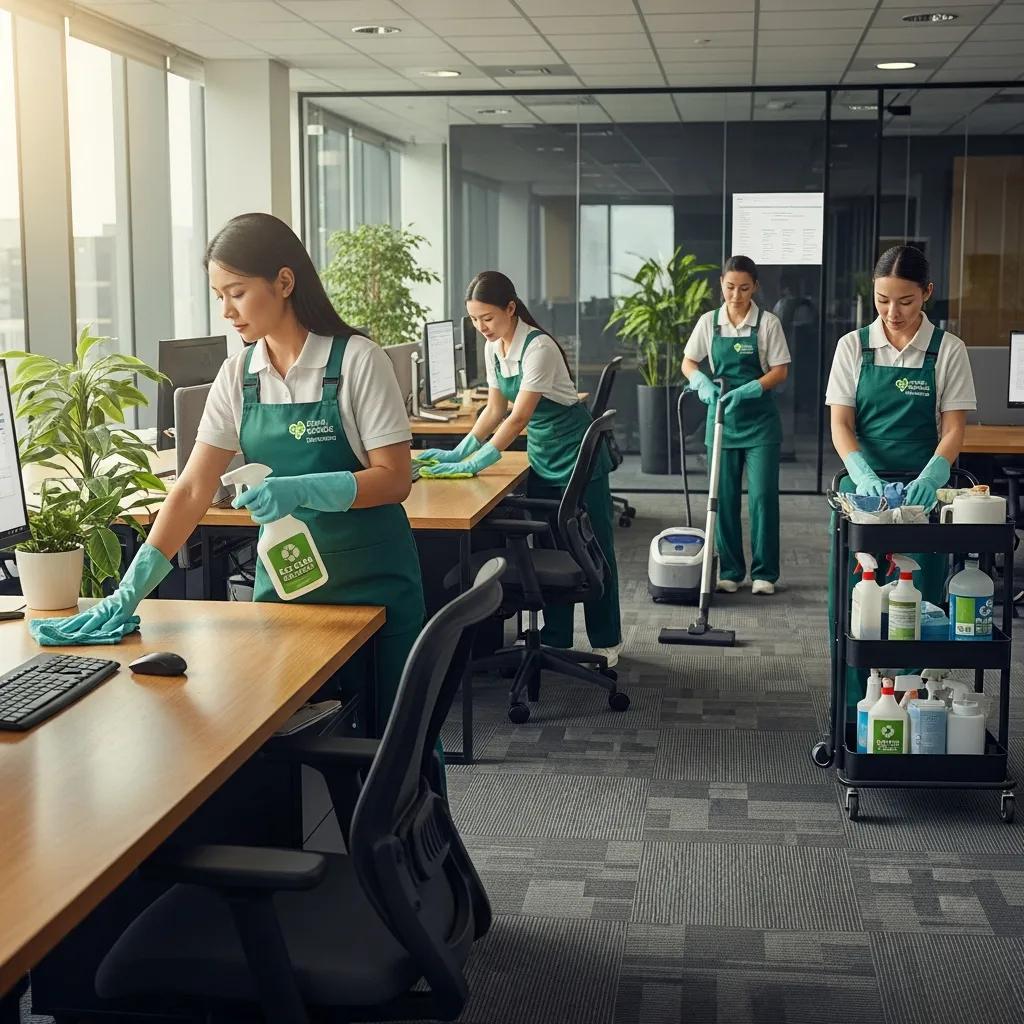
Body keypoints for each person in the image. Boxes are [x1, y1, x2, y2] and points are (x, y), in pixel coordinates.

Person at [41, 212, 424, 725]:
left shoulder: (358, 360)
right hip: (289, 587)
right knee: (282, 745)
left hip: (374, 586)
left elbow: (394, 478)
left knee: (398, 738)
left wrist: (301, 488)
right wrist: (131, 588)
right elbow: (193, 487)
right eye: (218, 295)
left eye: (237, 292)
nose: (226, 310)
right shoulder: (238, 376)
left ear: (284, 282)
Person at [415, 270, 623, 667]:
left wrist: (480, 460)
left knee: (594, 549)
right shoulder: (496, 349)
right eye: (474, 320)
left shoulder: (538, 348)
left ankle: (606, 640)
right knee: (550, 544)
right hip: (543, 456)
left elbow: (516, 418)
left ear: (511, 309)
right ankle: (559, 636)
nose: (481, 328)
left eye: (487, 318)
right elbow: (493, 409)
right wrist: (459, 452)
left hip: (578, 455)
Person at [826, 244, 976, 710]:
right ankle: (852, 712)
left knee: (919, 603)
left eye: (905, 301)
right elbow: (840, 424)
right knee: (856, 601)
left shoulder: (947, 350)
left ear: (927, 293)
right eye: (882, 299)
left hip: (920, 491)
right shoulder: (853, 346)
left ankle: (913, 710)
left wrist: (933, 475)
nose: (893, 312)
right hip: (863, 492)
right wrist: (860, 474)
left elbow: (953, 428)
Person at [681, 255, 791, 596]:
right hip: (723, 422)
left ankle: (765, 573)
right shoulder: (709, 323)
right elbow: (688, 361)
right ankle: (729, 570)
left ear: (755, 287)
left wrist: (752, 388)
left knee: (761, 498)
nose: (736, 295)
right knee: (723, 498)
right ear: (722, 284)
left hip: (760, 425)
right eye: (730, 287)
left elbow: (780, 370)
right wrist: (700, 381)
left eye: (744, 288)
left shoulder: (767, 323)